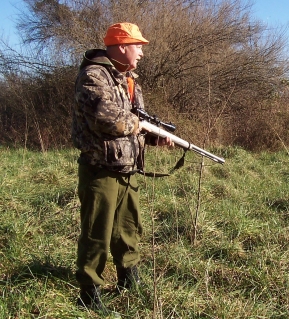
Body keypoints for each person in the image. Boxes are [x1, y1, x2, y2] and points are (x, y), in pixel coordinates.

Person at [72, 22, 173, 311]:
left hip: (129, 166)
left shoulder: (129, 81)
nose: (141, 52)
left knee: (129, 228)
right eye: (137, 46)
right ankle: (89, 293)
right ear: (120, 46)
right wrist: (140, 125)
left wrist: (156, 136)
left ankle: (128, 276)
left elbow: (134, 122)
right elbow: (106, 119)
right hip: (100, 168)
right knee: (97, 232)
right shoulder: (93, 76)